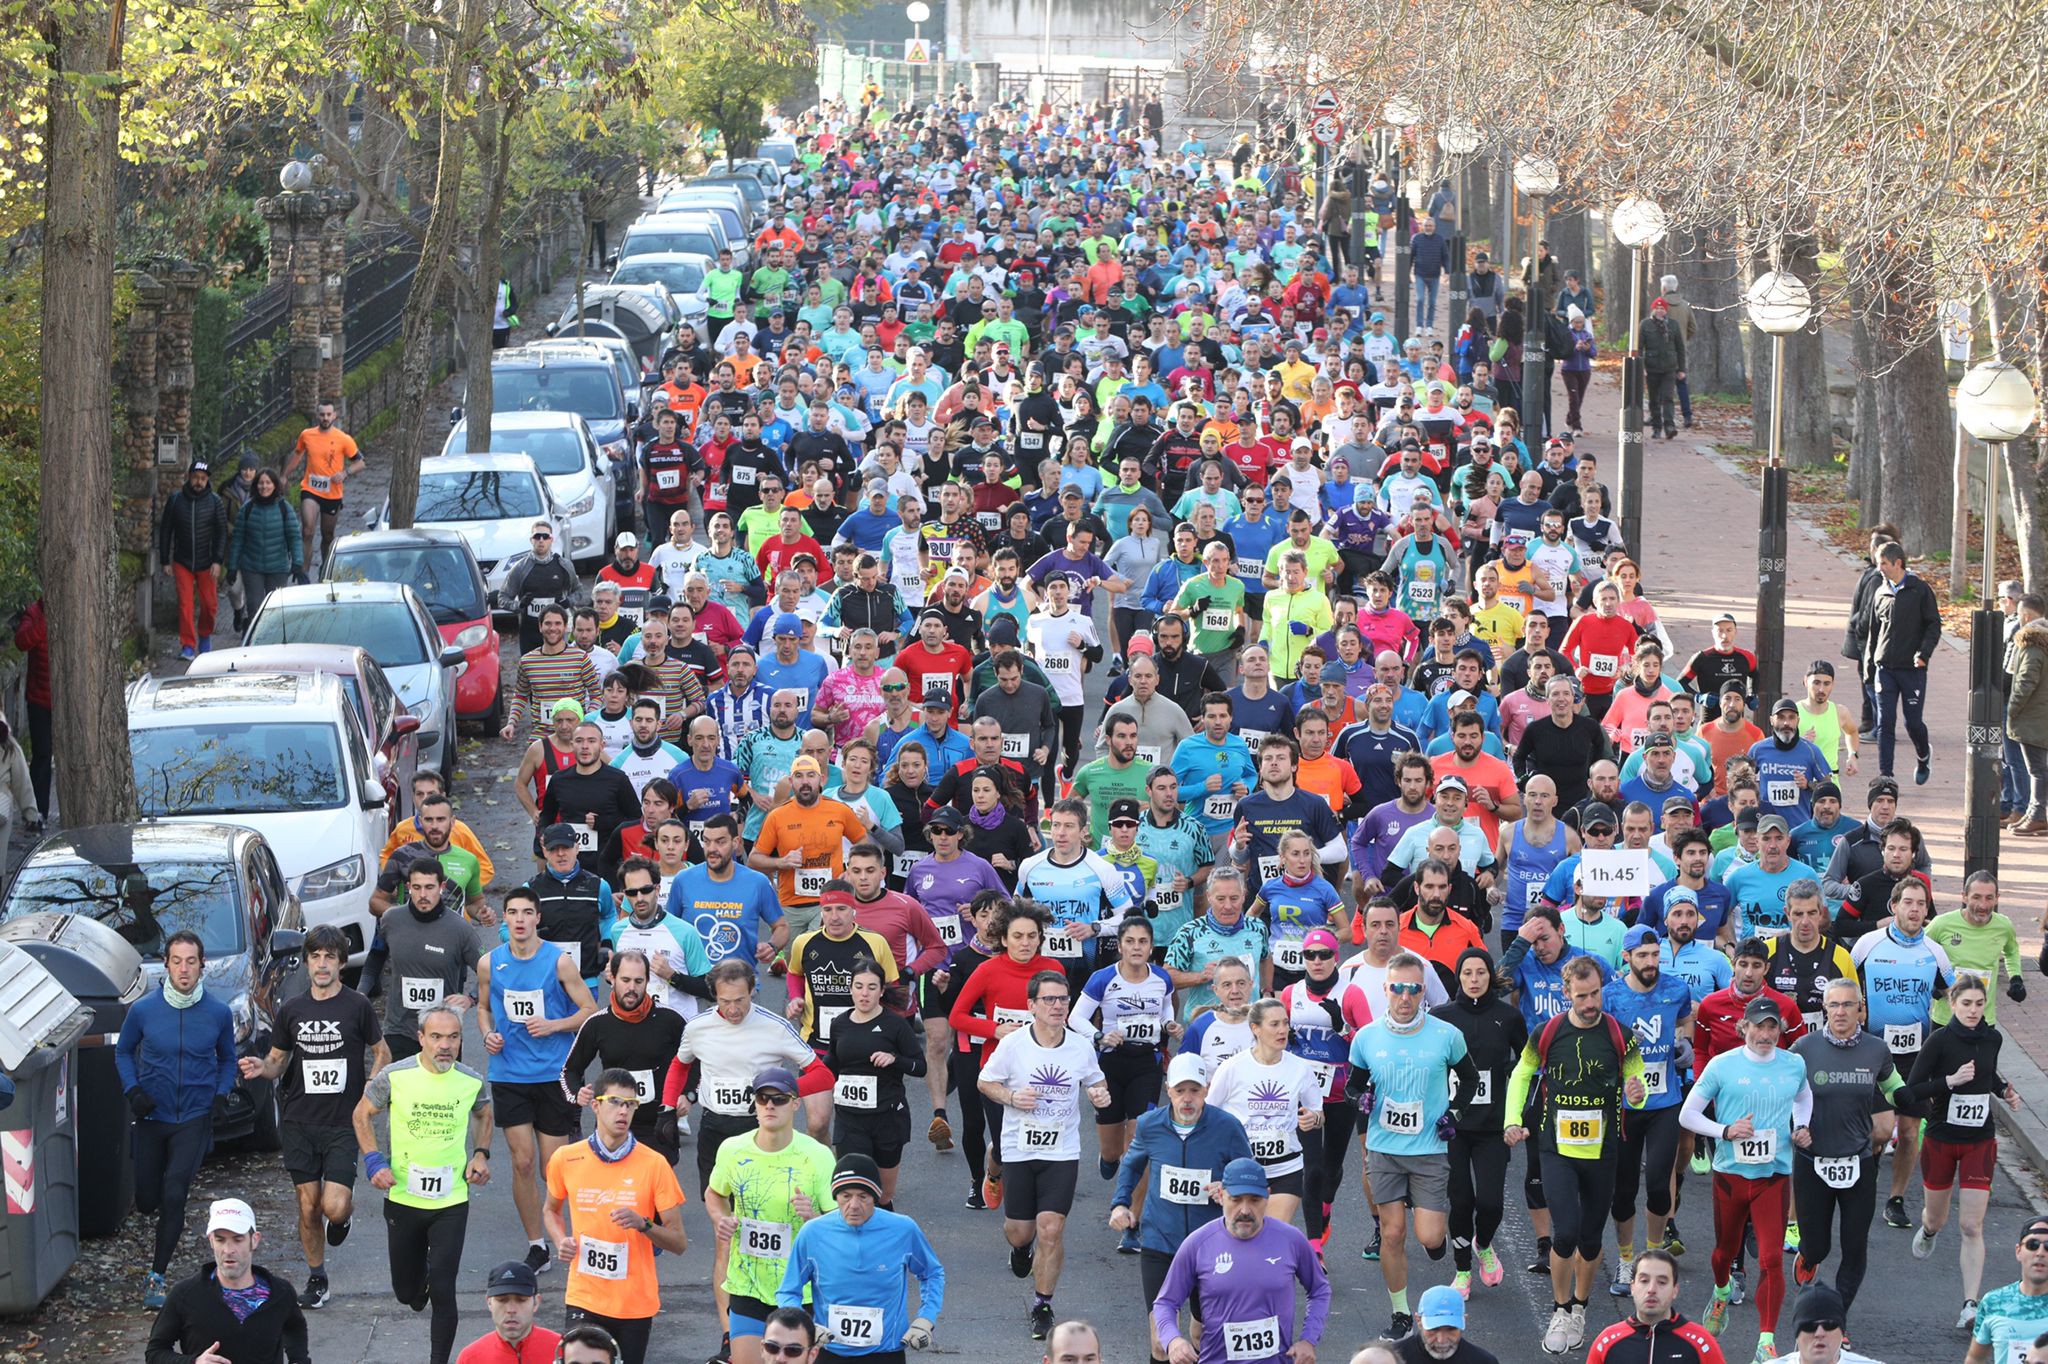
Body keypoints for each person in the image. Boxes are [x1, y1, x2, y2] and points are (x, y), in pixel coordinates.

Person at [236, 923, 391, 1308]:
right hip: (299, 1120)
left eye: (330, 958)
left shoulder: (357, 1005)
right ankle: (317, 1279)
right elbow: (278, 1060)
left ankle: (341, 1220)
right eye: (315, 957)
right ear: (307, 963)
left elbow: (382, 1053)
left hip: (342, 1121)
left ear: (340, 963)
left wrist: (369, 1095)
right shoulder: (293, 1009)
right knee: (307, 1205)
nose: (322, 965)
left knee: (332, 1206)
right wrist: (261, 1067)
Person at [1505, 956, 1647, 1354]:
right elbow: (1521, 1074)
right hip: (1557, 1149)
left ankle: (1581, 1307)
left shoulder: (1620, 1035)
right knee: (1564, 1232)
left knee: (1589, 1238)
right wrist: (1511, 1120)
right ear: (1566, 993)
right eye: (1582, 996)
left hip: (1603, 1150)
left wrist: (1638, 1093)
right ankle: (1560, 1308)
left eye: (1596, 994)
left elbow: (1637, 1082)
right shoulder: (1547, 1032)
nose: (1590, 1003)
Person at [1347, 952, 1479, 1336]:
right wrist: (1361, 1100)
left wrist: (1454, 1114)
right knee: (1392, 1233)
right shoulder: (1367, 1037)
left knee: (1430, 1237)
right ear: (1386, 990)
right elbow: (1353, 1086)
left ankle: (1436, 1240)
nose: (1406, 997)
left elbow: (1469, 1080)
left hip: (1429, 1150)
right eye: (1398, 989)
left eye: (1414, 989)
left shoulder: (1446, 1035)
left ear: (1424, 991)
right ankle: (1401, 1313)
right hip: (1385, 1149)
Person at [355, 1004, 494, 1364]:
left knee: (445, 1289)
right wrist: (373, 1161)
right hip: (403, 1198)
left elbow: (483, 1112)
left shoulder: (471, 1080)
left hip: (451, 1202)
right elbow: (361, 1114)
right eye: (436, 1037)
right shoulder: (395, 1076)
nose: (445, 1045)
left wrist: (481, 1154)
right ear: (421, 1039)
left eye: (453, 1037)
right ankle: (419, 1286)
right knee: (406, 1292)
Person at [978, 965, 1113, 1338]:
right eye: (1049, 999)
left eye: (1063, 999)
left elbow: (1096, 1082)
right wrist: (1010, 1096)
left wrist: (1099, 1095)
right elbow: (985, 1081)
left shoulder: (1080, 1046)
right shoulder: (1013, 1045)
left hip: (1061, 1150)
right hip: (1019, 1147)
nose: (1057, 1005)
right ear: (1032, 1006)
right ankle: (1020, 1248)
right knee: (1020, 1233)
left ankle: (1043, 1305)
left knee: (1051, 1229)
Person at [479, 886, 601, 1274]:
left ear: (537, 918)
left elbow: (589, 1010)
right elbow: (483, 1008)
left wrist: (554, 1025)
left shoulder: (559, 962)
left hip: (552, 1074)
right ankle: (537, 1245)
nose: (519, 919)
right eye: (512, 912)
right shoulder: (490, 963)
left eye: (526, 912)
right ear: (505, 919)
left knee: (554, 1166)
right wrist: (487, 1034)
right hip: (509, 1074)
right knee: (523, 1161)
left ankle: (566, 1232)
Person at [1682, 996, 1812, 1361]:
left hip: (1773, 1177)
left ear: (1780, 1030)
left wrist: (1800, 1126)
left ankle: (1765, 1342)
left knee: (1771, 1258)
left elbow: (1805, 1099)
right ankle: (1721, 1290)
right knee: (1725, 1251)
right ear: (1744, 1028)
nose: (1766, 1034)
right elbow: (1688, 1115)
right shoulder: (1723, 1066)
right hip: (1730, 1176)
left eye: (1773, 1027)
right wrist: (1724, 1131)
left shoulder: (1793, 1065)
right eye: (1759, 1026)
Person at [1111, 1051, 1257, 1362]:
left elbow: (1249, 1176)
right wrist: (1120, 1203)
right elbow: (1132, 1165)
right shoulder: (1151, 1125)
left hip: (1211, 1246)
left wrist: (1229, 1190)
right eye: (1180, 1091)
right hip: (1159, 1241)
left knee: (1201, 1335)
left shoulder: (1227, 1127)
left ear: (1206, 1089)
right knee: (1161, 1340)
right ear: (1168, 1089)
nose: (1187, 1099)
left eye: (1194, 1090)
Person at [118, 928, 238, 1308]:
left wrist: (220, 1095)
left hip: (194, 1117)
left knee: (174, 1194)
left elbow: (228, 1058)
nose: (184, 969)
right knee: (149, 1199)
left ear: (202, 966)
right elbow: (123, 1052)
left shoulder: (218, 1013)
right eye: (176, 961)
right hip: (153, 1115)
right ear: (166, 965)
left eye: (191, 962)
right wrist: (133, 1091)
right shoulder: (144, 1011)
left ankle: (157, 1276)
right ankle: (153, 1222)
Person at [543, 1068, 689, 1364]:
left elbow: (678, 1242)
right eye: (615, 1102)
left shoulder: (654, 1164)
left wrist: (644, 1224)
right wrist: (561, 1240)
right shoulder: (566, 1158)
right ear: (595, 1105)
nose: (623, 1111)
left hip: (634, 1303)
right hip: (584, 1296)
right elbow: (550, 1210)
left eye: (630, 1104)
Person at [1901, 971, 2017, 1330]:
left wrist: (2004, 1091)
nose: (1973, 1011)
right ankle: (1931, 1231)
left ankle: (1970, 1304)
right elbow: (1909, 1091)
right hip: (1940, 1138)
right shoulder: (1939, 1041)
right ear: (1952, 1004)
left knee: (1971, 1224)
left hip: (1979, 1141)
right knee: (1936, 1218)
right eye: (1966, 1004)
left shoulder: (1993, 1038)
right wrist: (1949, 1082)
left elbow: (1989, 1074)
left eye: (1979, 1004)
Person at [706, 1064, 837, 1364]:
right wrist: (720, 1218)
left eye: (778, 1099)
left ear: (795, 1103)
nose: (769, 1105)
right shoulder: (733, 1149)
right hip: (747, 1284)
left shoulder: (817, 1155)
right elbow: (714, 1193)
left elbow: (838, 1223)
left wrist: (813, 1216)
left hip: (800, 1290)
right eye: (762, 1098)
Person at [1787, 977, 1901, 1317]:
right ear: (1825, 1008)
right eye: (1833, 1004)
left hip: (1859, 1161)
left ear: (1860, 1010)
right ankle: (1808, 1256)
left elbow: (1896, 1089)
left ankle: (1837, 1316)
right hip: (1811, 1161)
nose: (1840, 1011)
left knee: (1854, 1248)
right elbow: (1782, 1096)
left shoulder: (1876, 1049)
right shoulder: (1803, 1050)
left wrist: (1930, 1097)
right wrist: (1795, 1129)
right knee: (1817, 1246)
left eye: (1847, 1004)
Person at [1150, 1156, 1331, 1364]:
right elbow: (1165, 1302)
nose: (1245, 1210)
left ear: (1267, 1197)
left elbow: (1320, 1290)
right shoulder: (1198, 1244)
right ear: (1221, 1195)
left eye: (1254, 1200)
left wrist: (1308, 1340)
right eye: (1236, 1199)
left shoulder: (1291, 1240)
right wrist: (1173, 1341)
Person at [776, 1152, 946, 1359]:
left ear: (875, 1197)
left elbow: (932, 1273)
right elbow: (787, 1291)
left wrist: (926, 1319)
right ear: (835, 1197)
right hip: (830, 1353)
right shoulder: (812, 1233)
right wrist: (805, 1326)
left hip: (886, 1353)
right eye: (846, 1196)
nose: (854, 1205)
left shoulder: (903, 1229)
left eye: (863, 1196)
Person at [1603, 925, 1696, 1293]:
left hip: (1664, 1104)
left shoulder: (1675, 989)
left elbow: (1686, 1017)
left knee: (1659, 1186)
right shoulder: (1611, 996)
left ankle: (1654, 1257)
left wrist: (1685, 1042)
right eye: (1642, 956)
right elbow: (1599, 1040)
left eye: (1655, 954)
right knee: (1624, 1190)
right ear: (1626, 957)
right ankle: (1626, 1261)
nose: (1650, 962)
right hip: (1626, 1106)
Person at [560, 945, 691, 1163]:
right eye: (625, 980)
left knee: (657, 1196)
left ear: (647, 981)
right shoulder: (597, 1024)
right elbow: (569, 1071)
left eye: (638, 982)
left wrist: (687, 1094)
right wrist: (576, 1094)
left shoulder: (670, 1020)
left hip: (658, 1124)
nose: (632, 988)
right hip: (612, 1126)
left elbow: (696, 1060)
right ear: (613, 979)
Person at [143, 1198, 310, 1364]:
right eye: (220, 1240)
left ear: (254, 1240)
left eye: (238, 1240)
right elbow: (155, 1353)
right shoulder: (185, 1295)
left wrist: (299, 1360)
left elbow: (295, 1328)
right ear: (210, 1241)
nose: (228, 1250)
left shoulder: (280, 1293)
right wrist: (194, 1362)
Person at [827, 953, 926, 1205]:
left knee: (882, 1195)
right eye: (858, 987)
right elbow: (831, 1066)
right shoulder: (839, 1024)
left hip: (887, 1118)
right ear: (850, 989)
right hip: (850, 1119)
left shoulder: (895, 1025)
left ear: (881, 991)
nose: (864, 993)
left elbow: (920, 1066)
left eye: (872, 987)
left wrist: (895, 1059)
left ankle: (886, 1241)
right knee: (854, 1190)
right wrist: (802, 1079)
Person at [1860, 540, 1940, 784]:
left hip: (1912, 670)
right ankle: (1886, 776)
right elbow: (1873, 632)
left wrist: (1923, 653)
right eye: (1877, 563)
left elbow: (1934, 624)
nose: (1879, 568)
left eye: (1883, 563)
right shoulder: (1880, 591)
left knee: (1912, 722)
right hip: (1885, 669)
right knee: (1885, 723)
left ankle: (1923, 754)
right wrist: (1869, 665)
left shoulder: (1919, 590)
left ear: (1898, 563)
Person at [1584, 1247, 1725, 1364]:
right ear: (1632, 1287)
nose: (1652, 1289)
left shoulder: (1702, 1343)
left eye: (1662, 1282)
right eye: (1644, 1280)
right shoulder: (1607, 1342)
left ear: (1675, 1290)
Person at [158, 457, 231, 658]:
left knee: (209, 604)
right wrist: (165, 560)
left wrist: (218, 560)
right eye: (196, 477)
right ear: (189, 477)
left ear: (208, 480)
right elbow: (166, 531)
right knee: (185, 604)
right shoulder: (175, 500)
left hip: (207, 562)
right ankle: (188, 645)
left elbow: (221, 533)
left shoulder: (215, 502)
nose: (199, 482)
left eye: (203, 478)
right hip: (182, 561)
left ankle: (205, 636)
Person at [283, 400, 364, 569]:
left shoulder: (344, 439)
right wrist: (284, 475)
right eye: (322, 414)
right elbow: (297, 456)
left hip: (332, 493)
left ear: (334, 415)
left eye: (328, 414)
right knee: (307, 531)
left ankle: (326, 572)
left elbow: (360, 462)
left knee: (327, 535)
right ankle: (303, 573)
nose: (325, 418)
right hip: (310, 489)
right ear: (317, 415)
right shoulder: (306, 435)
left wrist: (345, 473)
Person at [1967, 1216, 2048, 1364]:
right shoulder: (1994, 1302)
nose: (2040, 1252)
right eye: (2032, 1244)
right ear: (2018, 1251)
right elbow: (1975, 1358)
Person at [225, 465, 303, 614]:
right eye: (261, 483)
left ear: (275, 485)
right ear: (256, 485)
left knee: (275, 608)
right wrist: (232, 567)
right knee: (254, 606)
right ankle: (254, 635)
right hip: (252, 567)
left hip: (278, 568)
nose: (264, 486)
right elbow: (238, 540)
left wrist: (297, 562)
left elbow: (294, 537)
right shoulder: (247, 509)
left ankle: (273, 637)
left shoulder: (285, 509)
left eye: (268, 483)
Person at [455, 1259, 562, 1364]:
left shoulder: (563, 1350)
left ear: (536, 1303)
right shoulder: (470, 1359)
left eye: (521, 1300)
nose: (511, 1310)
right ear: (489, 1303)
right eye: (502, 1300)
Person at [1393, 1285, 1501, 1364]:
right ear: (1418, 1321)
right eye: (1434, 1329)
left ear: (1464, 1320)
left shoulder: (1484, 1361)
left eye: (1451, 1329)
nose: (1442, 1340)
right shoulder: (1391, 1359)